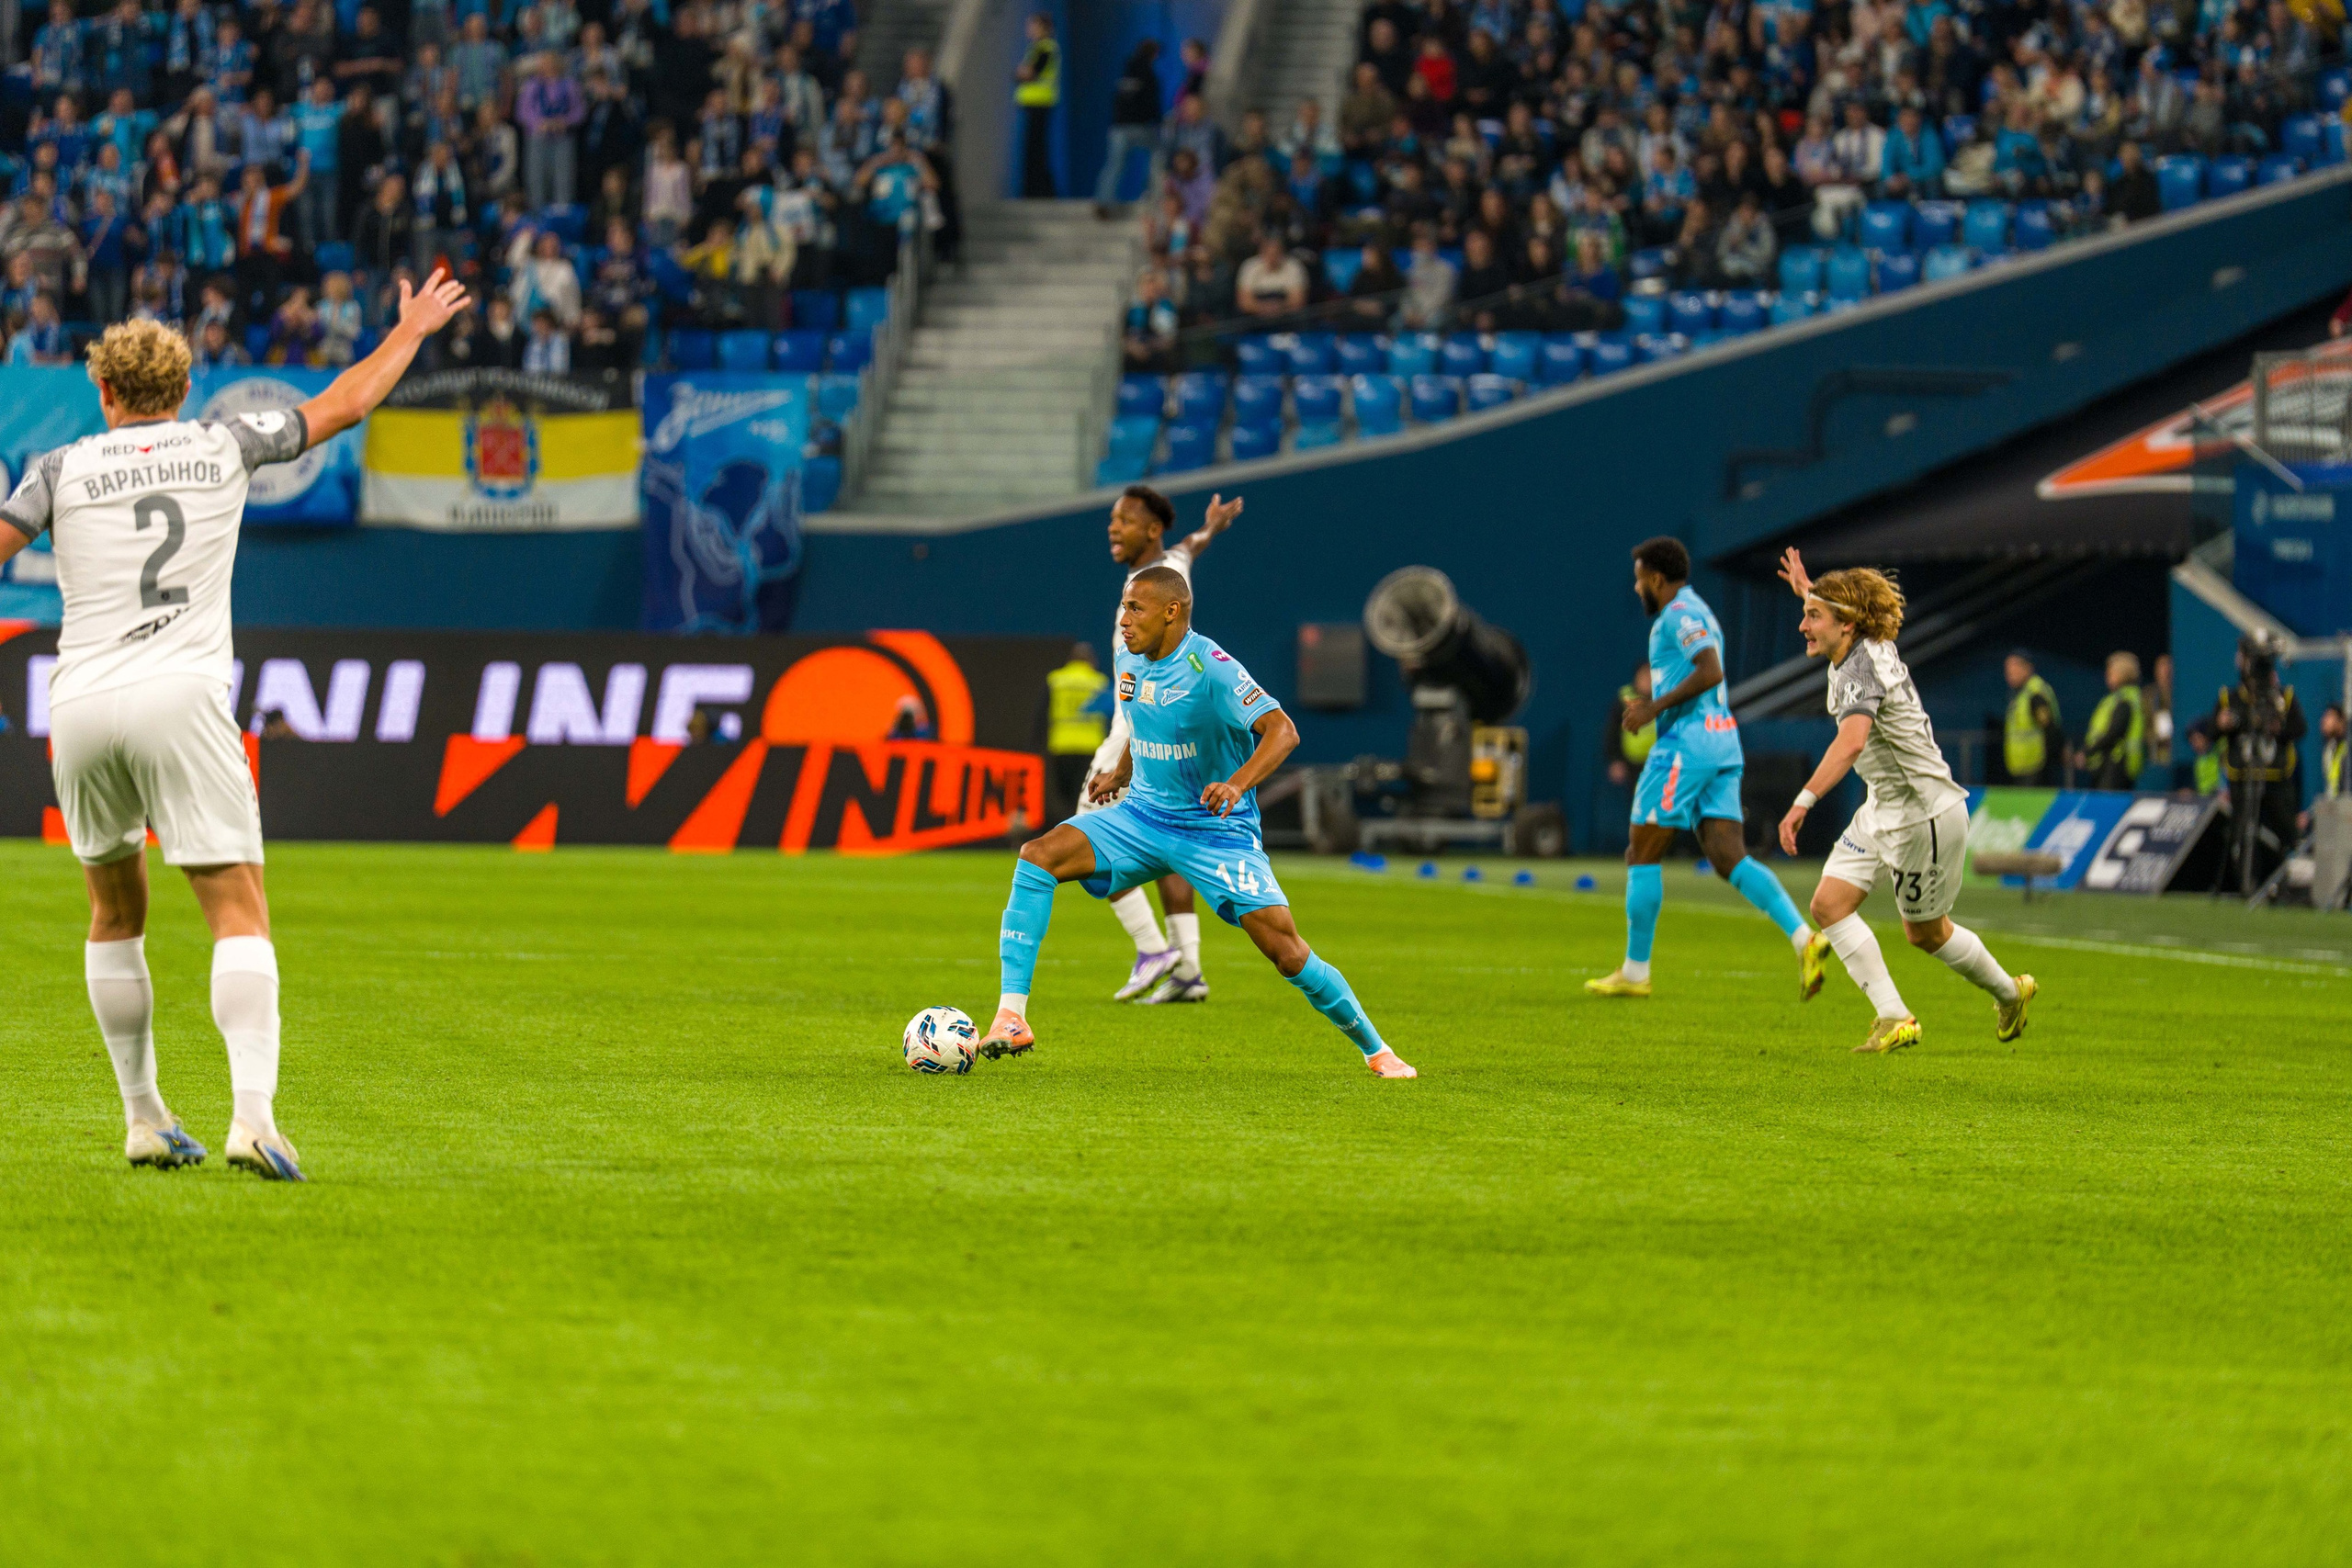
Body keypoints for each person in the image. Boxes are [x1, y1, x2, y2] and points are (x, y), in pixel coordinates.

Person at [0, 272, 470, 1180]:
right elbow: (344, 404)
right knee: (236, 909)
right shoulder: (224, 443)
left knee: (113, 912)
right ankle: (252, 1119)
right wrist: (409, 328)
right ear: (183, 391)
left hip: (82, 704)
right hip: (180, 693)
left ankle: (143, 1119)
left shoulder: (57, 471)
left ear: (100, 394)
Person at [978, 565, 1416, 1079]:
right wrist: (1120, 771)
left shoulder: (1213, 668)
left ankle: (1376, 1049)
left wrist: (1236, 784)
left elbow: (1283, 732)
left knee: (1285, 951)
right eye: (1123, 607)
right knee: (1037, 857)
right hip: (1141, 817)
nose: (1124, 620)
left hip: (1214, 833)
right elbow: (1145, 725)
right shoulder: (1129, 658)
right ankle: (1011, 1016)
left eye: (1136, 608)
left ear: (1172, 611)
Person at [1771, 549, 2037, 1055]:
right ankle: (1894, 1015)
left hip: (1923, 815)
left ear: (1845, 625)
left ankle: (2011, 992)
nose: (1803, 625)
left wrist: (1802, 800)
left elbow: (1850, 744)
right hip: (1883, 806)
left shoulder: (1858, 670)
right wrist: (1809, 591)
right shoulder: (1859, 641)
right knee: (1828, 904)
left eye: (1812, 617)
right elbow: (1833, 611)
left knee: (1926, 934)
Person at [1586, 537, 1826, 1000]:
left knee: (1642, 852)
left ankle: (1636, 972)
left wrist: (1653, 707)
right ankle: (1805, 939)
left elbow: (1711, 670)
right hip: (1722, 742)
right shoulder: (1699, 608)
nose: (1637, 587)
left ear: (1656, 578)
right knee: (1727, 856)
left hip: (1686, 745)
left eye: (1639, 578)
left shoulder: (1677, 614)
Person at [1079, 485, 1241, 1004]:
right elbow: (1190, 545)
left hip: (1135, 727)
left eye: (1123, 520)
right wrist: (1211, 528)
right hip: (1162, 722)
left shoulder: (1155, 585)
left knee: (1085, 833)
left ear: (1151, 530)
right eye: (1112, 519)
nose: (1112, 527)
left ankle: (1152, 948)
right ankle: (1188, 969)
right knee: (1168, 841)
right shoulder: (1173, 562)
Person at [2210, 634, 2307, 892]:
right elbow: (2210, 731)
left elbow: (2300, 728)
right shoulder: (2229, 697)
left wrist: (2278, 728)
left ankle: (2292, 886)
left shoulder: (2283, 697)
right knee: (2242, 830)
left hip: (2276, 776)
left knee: (2286, 833)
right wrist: (2221, 725)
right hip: (2242, 776)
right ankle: (2245, 884)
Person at [1045, 642, 1112, 818]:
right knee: (1084, 794)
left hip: (1062, 746)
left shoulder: (1056, 680)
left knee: (1065, 796)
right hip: (1090, 747)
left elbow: (1042, 715)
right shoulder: (1099, 682)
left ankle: (1067, 828)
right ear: (1091, 661)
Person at [1096, 39, 1161, 219]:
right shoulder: (1148, 74)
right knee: (1160, 150)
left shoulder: (1125, 72)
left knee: (1114, 165)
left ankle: (1103, 201)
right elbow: (1151, 103)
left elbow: (1118, 100)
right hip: (1139, 127)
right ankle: (1154, 194)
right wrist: (1157, 120)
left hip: (1118, 127)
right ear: (1153, 54)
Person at [2077, 651, 2146, 791]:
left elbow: (2114, 732)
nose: (2107, 676)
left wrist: (2087, 751)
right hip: (2108, 764)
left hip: (2116, 765)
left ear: (2123, 673)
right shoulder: (2119, 698)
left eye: (2111, 672)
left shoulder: (2125, 700)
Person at [1014, 11, 1060, 200]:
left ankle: (1039, 192)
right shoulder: (1036, 48)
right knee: (1034, 150)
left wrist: (1021, 73)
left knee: (1036, 151)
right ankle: (1038, 190)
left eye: (1033, 25)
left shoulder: (1045, 48)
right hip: (1034, 105)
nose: (1029, 29)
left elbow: (1029, 73)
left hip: (1040, 104)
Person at [2001, 649, 2063, 785]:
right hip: (2021, 767)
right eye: (2007, 670)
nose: (2008, 675)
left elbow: (2049, 727)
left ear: (2027, 668)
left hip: (2035, 767)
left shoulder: (2035, 693)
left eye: (2013, 669)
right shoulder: (2020, 694)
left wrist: (2053, 759)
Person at [1603, 664, 1655, 790]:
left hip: (1659, 764)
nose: (1647, 680)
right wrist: (1615, 760)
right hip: (1632, 766)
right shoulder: (1624, 699)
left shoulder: (1664, 698)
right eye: (1643, 676)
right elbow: (1612, 732)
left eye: (1650, 676)